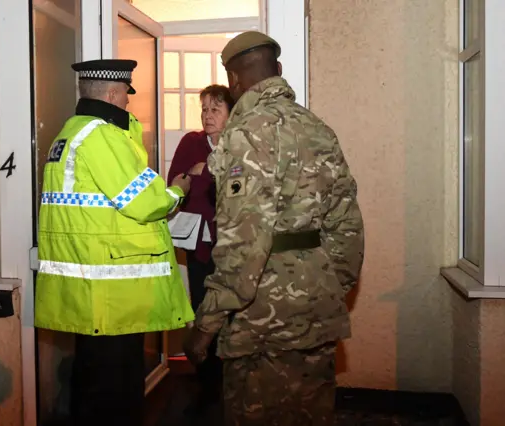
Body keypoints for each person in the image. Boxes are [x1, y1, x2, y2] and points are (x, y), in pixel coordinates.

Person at [183, 31, 365, 426]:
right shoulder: (318, 129)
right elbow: (347, 229)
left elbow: (241, 245)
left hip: (260, 319)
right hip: (316, 308)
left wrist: (205, 325)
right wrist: (326, 286)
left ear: (233, 81)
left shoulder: (244, 135)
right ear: (278, 71)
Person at [34, 59, 195, 426]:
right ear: (112, 92)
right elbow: (144, 202)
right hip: (112, 295)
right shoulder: (101, 136)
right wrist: (177, 192)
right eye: (125, 95)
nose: (128, 103)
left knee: (91, 382)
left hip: (92, 293)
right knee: (114, 393)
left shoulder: (69, 134)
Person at [167, 84, 235, 415]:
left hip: (236, 247)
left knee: (234, 314)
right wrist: (198, 179)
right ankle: (208, 384)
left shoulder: (240, 145)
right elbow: (174, 184)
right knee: (202, 312)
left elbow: (239, 188)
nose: (207, 115)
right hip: (199, 245)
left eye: (215, 109)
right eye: (204, 109)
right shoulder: (190, 143)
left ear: (230, 113)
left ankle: (232, 386)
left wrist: (203, 172)